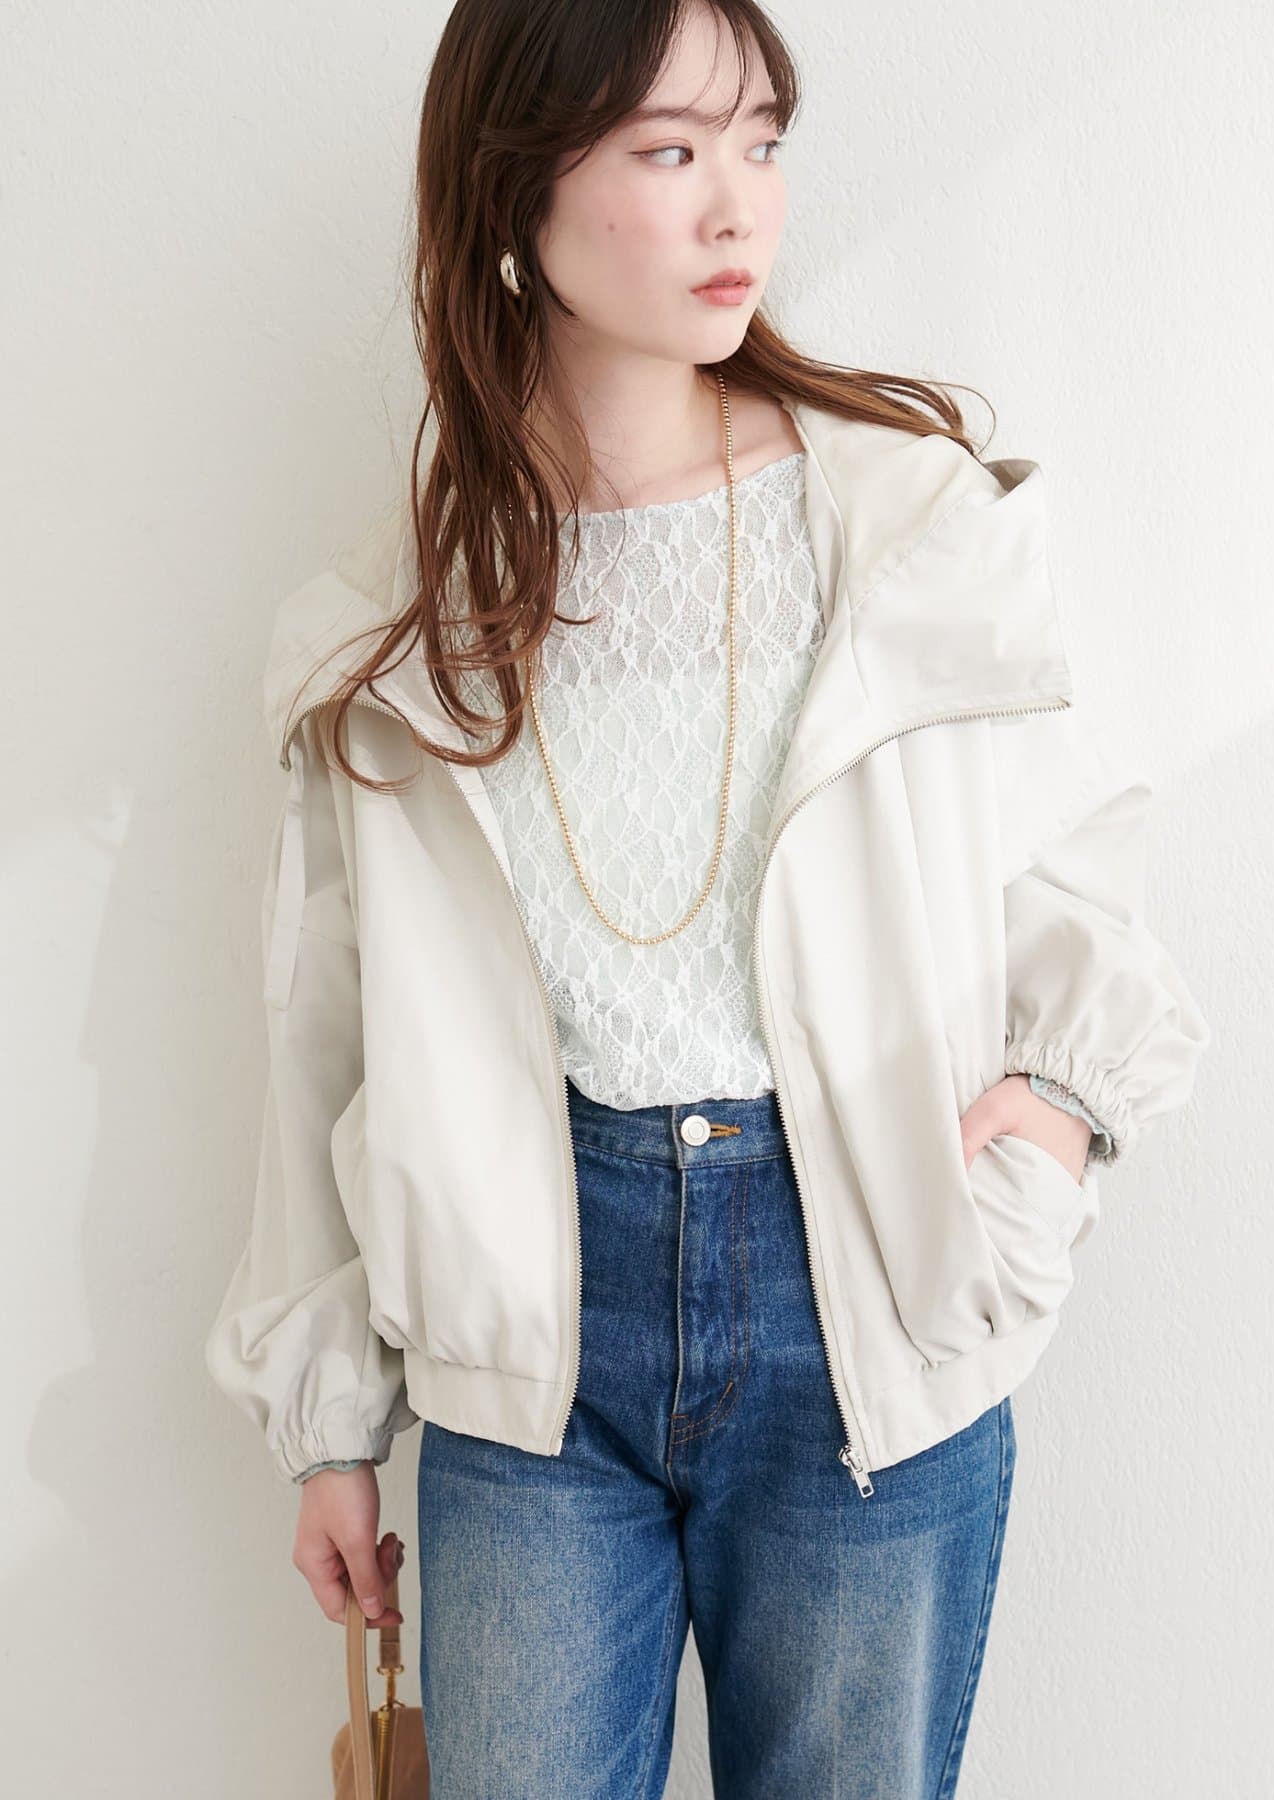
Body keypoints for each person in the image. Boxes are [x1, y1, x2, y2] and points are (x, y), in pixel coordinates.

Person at [205, 1, 1212, 1793]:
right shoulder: (394, 628)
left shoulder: (901, 528)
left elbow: (1076, 860)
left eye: (760, 141)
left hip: (862, 1291)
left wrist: (1052, 1120)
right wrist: (330, 1428)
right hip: (533, 1335)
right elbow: (324, 1038)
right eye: (670, 151)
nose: (739, 204)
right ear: (514, 195)